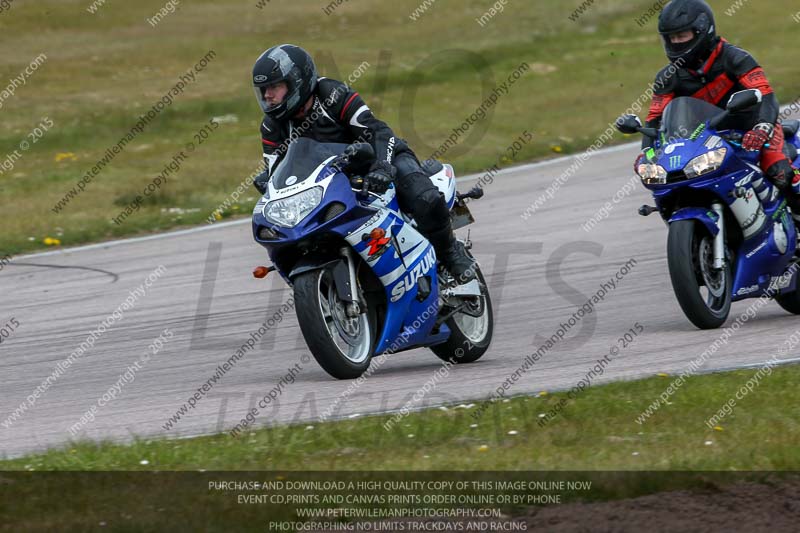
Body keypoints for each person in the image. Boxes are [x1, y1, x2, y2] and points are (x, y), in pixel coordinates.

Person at [250, 44, 476, 282]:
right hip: (330, 184)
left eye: (274, 86)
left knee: (424, 198)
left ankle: (451, 253)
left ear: (298, 81)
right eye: (263, 89)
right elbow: (276, 172)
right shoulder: (271, 126)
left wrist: (382, 167)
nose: (267, 95)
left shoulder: (331, 94)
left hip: (379, 159)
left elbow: (378, 131)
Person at [641, 0, 800, 201]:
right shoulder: (667, 77)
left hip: (752, 130)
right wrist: (646, 152)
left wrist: (762, 128)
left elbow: (765, 95)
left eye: (682, 35)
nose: (676, 42)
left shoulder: (736, 58)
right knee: (673, 183)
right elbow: (654, 119)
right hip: (704, 140)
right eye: (671, 38)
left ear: (701, 30)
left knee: (779, 172)